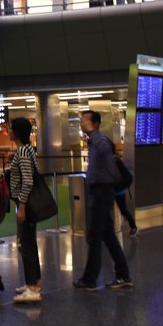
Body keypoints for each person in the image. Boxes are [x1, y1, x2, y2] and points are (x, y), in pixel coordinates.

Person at [72, 111, 131, 291]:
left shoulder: (101, 140)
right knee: (107, 235)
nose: (82, 122)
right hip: (99, 191)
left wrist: (93, 133)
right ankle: (123, 275)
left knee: (94, 236)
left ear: (95, 123)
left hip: (101, 191)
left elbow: (107, 149)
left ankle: (90, 280)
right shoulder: (94, 142)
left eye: (85, 120)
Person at [8, 117, 42, 304]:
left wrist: (21, 207)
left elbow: (27, 180)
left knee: (26, 245)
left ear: (17, 131)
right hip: (28, 202)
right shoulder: (27, 149)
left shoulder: (22, 151)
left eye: (10, 128)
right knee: (30, 244)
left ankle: (32, 288)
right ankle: (34, 283)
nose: (8, 130)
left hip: (26, 204)